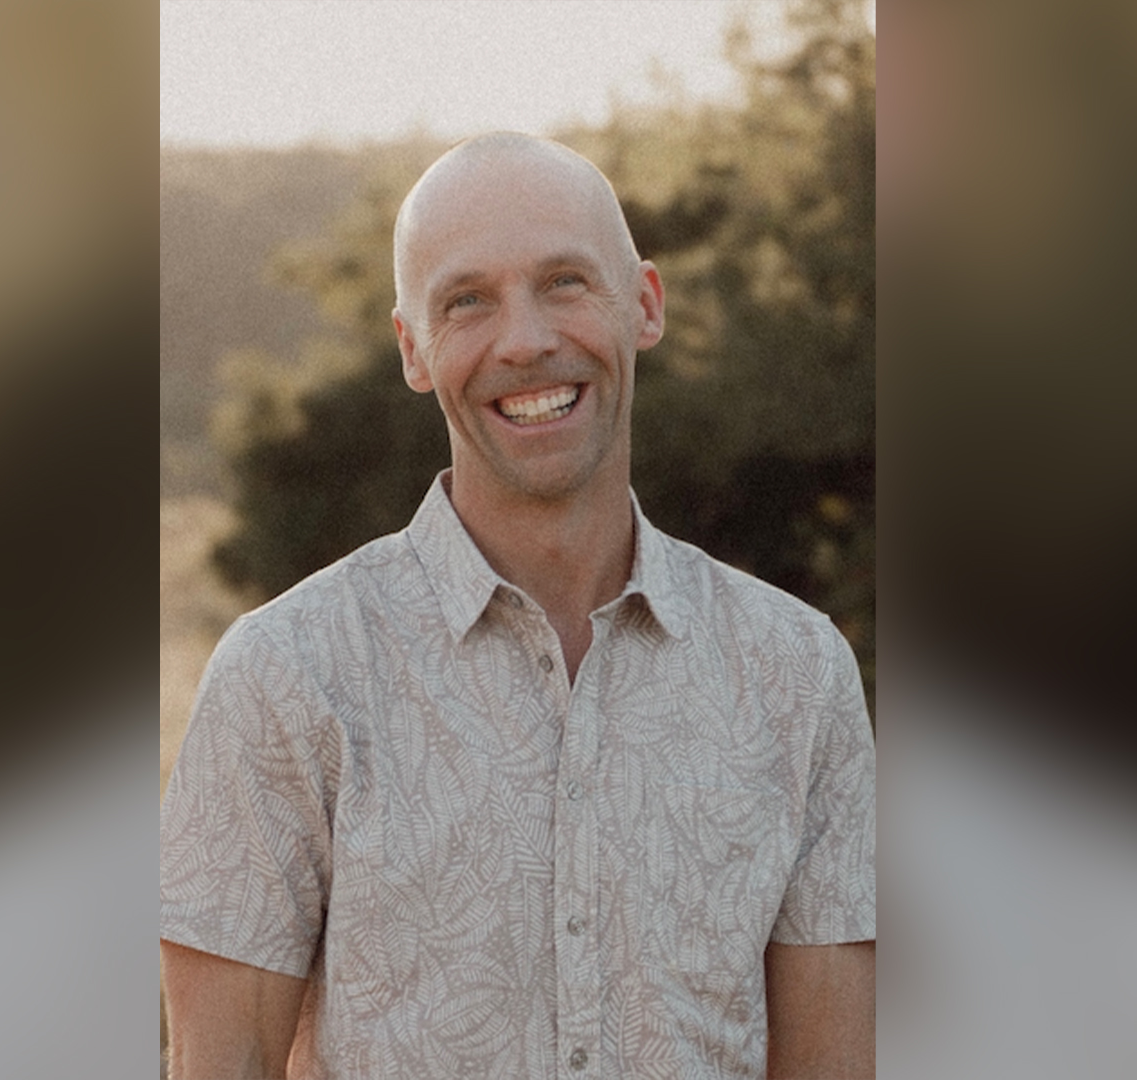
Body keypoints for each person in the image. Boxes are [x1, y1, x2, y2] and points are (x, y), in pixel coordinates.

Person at [160, 132, 876, 1079]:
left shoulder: (797, 675)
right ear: (413, 349)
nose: (526, 340)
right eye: (467, 301)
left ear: (644, 304)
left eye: (565, 282)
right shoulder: (287, 674)